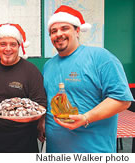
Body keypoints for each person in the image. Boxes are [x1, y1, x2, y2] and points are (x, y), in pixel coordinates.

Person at [42, 5, 134, 153]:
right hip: (55, 151)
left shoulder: (101, 57)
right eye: (53, 31)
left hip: (93, 151)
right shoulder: (48, 66)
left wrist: (86, 117)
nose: (58, 34)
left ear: (77, 30)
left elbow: (122, 100)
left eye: (64, 28)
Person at [0, 23, 47, 153]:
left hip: (24, 138)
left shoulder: (31, 71)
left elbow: (41, 105)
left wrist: (30, 118)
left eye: (13, 44)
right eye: (3, 44)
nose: (8, 48)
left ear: (19, 46)